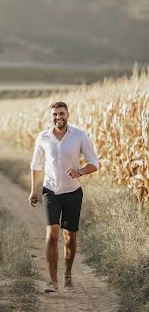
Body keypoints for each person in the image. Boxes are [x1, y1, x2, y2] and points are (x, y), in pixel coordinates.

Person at [29, 101, 99, 293]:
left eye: (61, 114)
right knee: (52, 235)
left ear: (67, 115)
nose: (58, 117)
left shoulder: (78, 136)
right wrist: (34, 190)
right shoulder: (43, 137)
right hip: (51, 191)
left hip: (72, 192)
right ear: (50, 116)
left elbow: (94, 162)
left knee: (70, 237)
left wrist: (80, 171)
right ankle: (52, 281)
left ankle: (67, 276)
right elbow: (36, 165)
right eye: (54, 114)